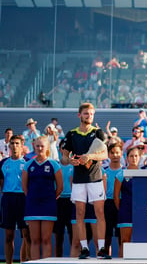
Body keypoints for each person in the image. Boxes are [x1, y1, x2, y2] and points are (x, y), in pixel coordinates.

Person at [60, 102, 110, 259]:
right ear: (79, 115)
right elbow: (63, 158)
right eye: (86, 114)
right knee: (79, 213)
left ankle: (101, 249)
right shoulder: (71, 134)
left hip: (95, 178)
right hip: (78, 180)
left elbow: (104, 155)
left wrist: (90, 156)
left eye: (91, 114)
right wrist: (70, 160)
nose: (89, 116)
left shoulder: (98, 133)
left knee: (100, 213)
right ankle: (84, 249)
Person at [21, 136, 63, 260]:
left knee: (46, 240)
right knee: (34, 240)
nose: (39, 148)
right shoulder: (28, 165)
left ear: (47, 148)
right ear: (34, 146)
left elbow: (60, 187)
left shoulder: (54, 164)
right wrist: (33, 198)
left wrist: (49, 198)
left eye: (42, 146)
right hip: (32, 206)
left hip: (48, 206)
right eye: (37, 145)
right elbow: (24, 187)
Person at [0, 135, 31, 264]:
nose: (14, 146)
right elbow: (1, 182)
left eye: (17, 143)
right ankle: (9, 263)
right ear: (9, 145)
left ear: (22, 145)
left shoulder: (27, 163)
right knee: (8, 235)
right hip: (8, 198)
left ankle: (25, 262)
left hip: (23, 199)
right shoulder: (3, 163)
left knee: (26, 235)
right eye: (12, 143)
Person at [114, 147, 138, 257]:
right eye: (131, 156)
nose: (134, 158)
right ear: (127, 158)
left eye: (136, 156)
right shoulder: (121, 174)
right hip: (125, 212)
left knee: (139, 243)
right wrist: (123, 209)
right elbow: (116, 197)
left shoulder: (145, 174)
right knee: (124, 241)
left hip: (140, 213)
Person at [102, 142, 123, 257]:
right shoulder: (104, 172)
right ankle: (106, 256)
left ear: (121, 154)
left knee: (121, 234)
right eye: (112, 153)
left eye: (117, 153)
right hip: (108, 204)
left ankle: (121, 257)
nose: (115, 155)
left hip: (121, 203)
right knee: (107, 234)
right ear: (108, 155)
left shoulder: (125, 171)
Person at [54, 141, 74, 257]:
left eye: (68, 149)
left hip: (72, 202)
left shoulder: (75, 166)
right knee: (58, 236)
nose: (66, 151)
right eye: (63, 148)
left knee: (73, 236)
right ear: (60, 150)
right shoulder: (56, 166)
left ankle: (74, 259)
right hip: (59, 201)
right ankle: (58, 259)